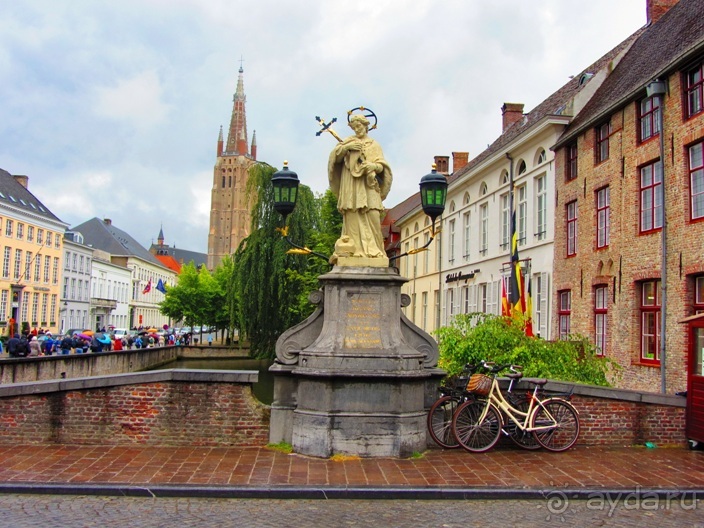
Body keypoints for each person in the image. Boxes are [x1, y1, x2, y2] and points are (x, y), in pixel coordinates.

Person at [327, 113, 392, 264]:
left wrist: (373, 166)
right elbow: (334, 158)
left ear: (366, 126)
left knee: (373, 215)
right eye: (354, 127)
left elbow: (382, 165)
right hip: (351, 186)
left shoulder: (374, 145)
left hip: (369, 185)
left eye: (359, 126)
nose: (357, 129)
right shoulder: (348, 142)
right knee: (352, 214)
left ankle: (376, 251)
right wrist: (346, 148)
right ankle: (353, 251)